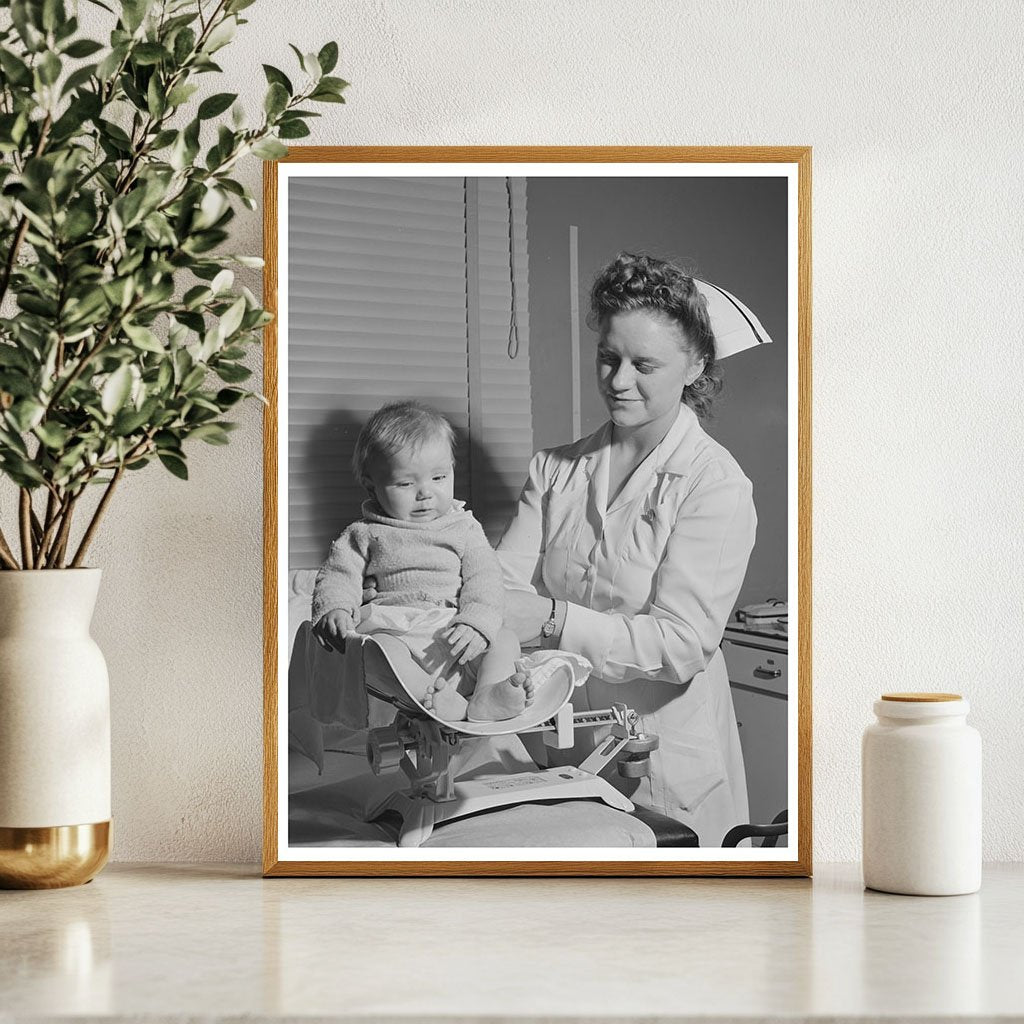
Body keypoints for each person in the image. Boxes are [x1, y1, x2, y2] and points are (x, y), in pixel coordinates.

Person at [496, 252, 756, 845]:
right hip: (560, 744)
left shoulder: (713, 483)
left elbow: (683, 644)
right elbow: (506, 586)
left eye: (644, 364)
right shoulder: (554, 469)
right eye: (608, 358)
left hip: (663, 761)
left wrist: (553, 619)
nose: (617, 380)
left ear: (695, 366)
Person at [311, 401, 533, 723]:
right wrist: (335, 608)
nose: (425, 493)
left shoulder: (464, 528)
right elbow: (337, 575)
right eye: (405, 483)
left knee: (505, 639)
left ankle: (487, 694)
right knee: (376, 651)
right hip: (399, 630)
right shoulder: (364, 534)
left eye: (439, 477)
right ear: (371, 485)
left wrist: (476, 622)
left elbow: (485, 578)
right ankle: (436, 697)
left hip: (455, 631)